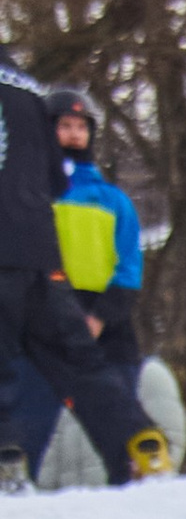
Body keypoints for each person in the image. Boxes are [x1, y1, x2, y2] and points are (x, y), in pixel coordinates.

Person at [0, 50, 147, 491]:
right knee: (80, 362)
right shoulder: (30, 86)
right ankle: (137, 443)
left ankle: (6, 459)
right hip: (42, 258)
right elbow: (56, 180)